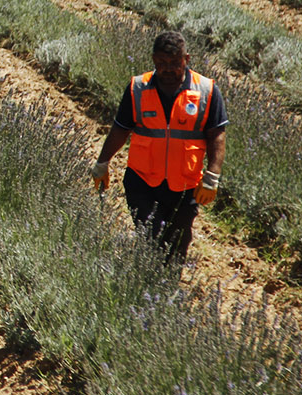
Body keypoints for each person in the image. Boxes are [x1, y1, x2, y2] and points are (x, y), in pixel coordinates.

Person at [89, 31, 227, 265]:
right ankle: (147, 281)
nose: (168, 69)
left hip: (185, 186)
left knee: (177, 246)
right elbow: (120, 129)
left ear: (186, 59)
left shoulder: (206, 91)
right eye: (162, 63)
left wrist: (212, 177)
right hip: (142, 182)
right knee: (151, 240)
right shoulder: (138, 88)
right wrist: (102, 163)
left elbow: (217, 136)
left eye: (175, 63)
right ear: (154, 60)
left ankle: (168, 285)